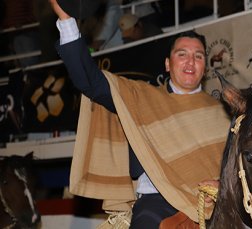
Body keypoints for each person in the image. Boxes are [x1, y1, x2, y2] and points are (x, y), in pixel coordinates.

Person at [49, 0, 230, 228]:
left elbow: (241, 165)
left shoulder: (220, 111)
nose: (190, 62)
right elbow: (90, 81)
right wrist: (66, 21)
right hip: (157, 203)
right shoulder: (141, 97)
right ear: (167, 64)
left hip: (216, 204)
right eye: (182, 54)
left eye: (198, 56)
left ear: (205, 66)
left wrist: (224, 182)